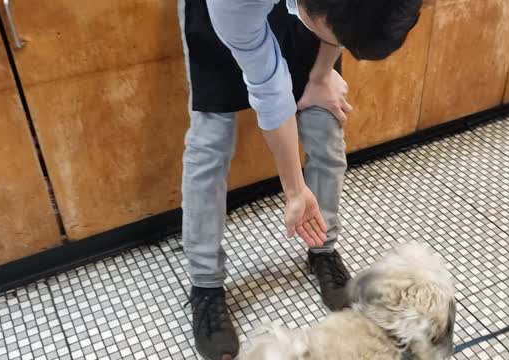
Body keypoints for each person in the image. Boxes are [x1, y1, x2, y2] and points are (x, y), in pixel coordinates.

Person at [177, 0, 423, 358]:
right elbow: (268, 88)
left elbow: (351, 22)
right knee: (210, 141)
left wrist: (322, 74)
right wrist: (293, 189)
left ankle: (322, 248)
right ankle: (205, 285)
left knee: (326, 122)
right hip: (223, 14)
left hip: (328, 14)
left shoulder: (345, 14)